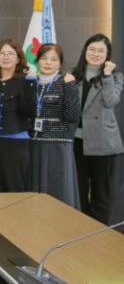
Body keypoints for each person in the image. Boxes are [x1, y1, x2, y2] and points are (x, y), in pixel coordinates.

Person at [72, 34, 123, 223]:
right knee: (78, 189)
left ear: (107, 55)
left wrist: (107, 75)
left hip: (103, 143)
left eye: (101, 51)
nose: (95, 54)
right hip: (76, 141)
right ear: (85, 51)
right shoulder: (72, 76)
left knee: (101, 193)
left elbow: (111, 102)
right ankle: (81, 226)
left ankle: (98, 230)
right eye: (92, 49)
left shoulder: (115, 77)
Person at [31, 43, 81, 209]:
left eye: (53, 59)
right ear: (38, 61)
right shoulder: (31, 83)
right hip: (33, 144)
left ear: (60, 63)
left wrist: (70, 87)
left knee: (58, 192)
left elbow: (72, 116)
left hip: (58, 145)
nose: (48, 63)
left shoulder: (66, 82)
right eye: (44, 58)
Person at [0, 39, 35, 193]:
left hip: (16, 143)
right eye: (2, 53)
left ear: (18, 59)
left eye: (10, 53)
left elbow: (30, 111)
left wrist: (31, 83)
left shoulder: (26, 81)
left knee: (15, 189)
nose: (6, 57)